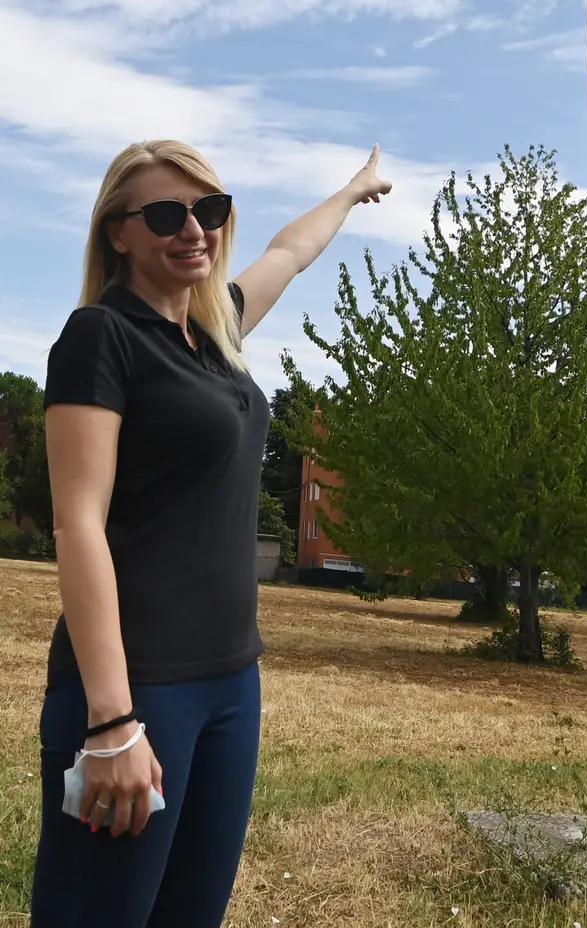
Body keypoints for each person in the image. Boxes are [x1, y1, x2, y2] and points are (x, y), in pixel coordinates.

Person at [31, 138, 392, 928]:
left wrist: (355, 188)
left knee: (191, 915)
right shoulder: (101, 337)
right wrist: (112, 721)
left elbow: (289, 251)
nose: (194, 229)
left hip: (232, 683)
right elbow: (77, 521)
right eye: (166, 214)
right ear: (116, 233)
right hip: (141, 687)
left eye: (210, 210)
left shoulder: (216, 331)